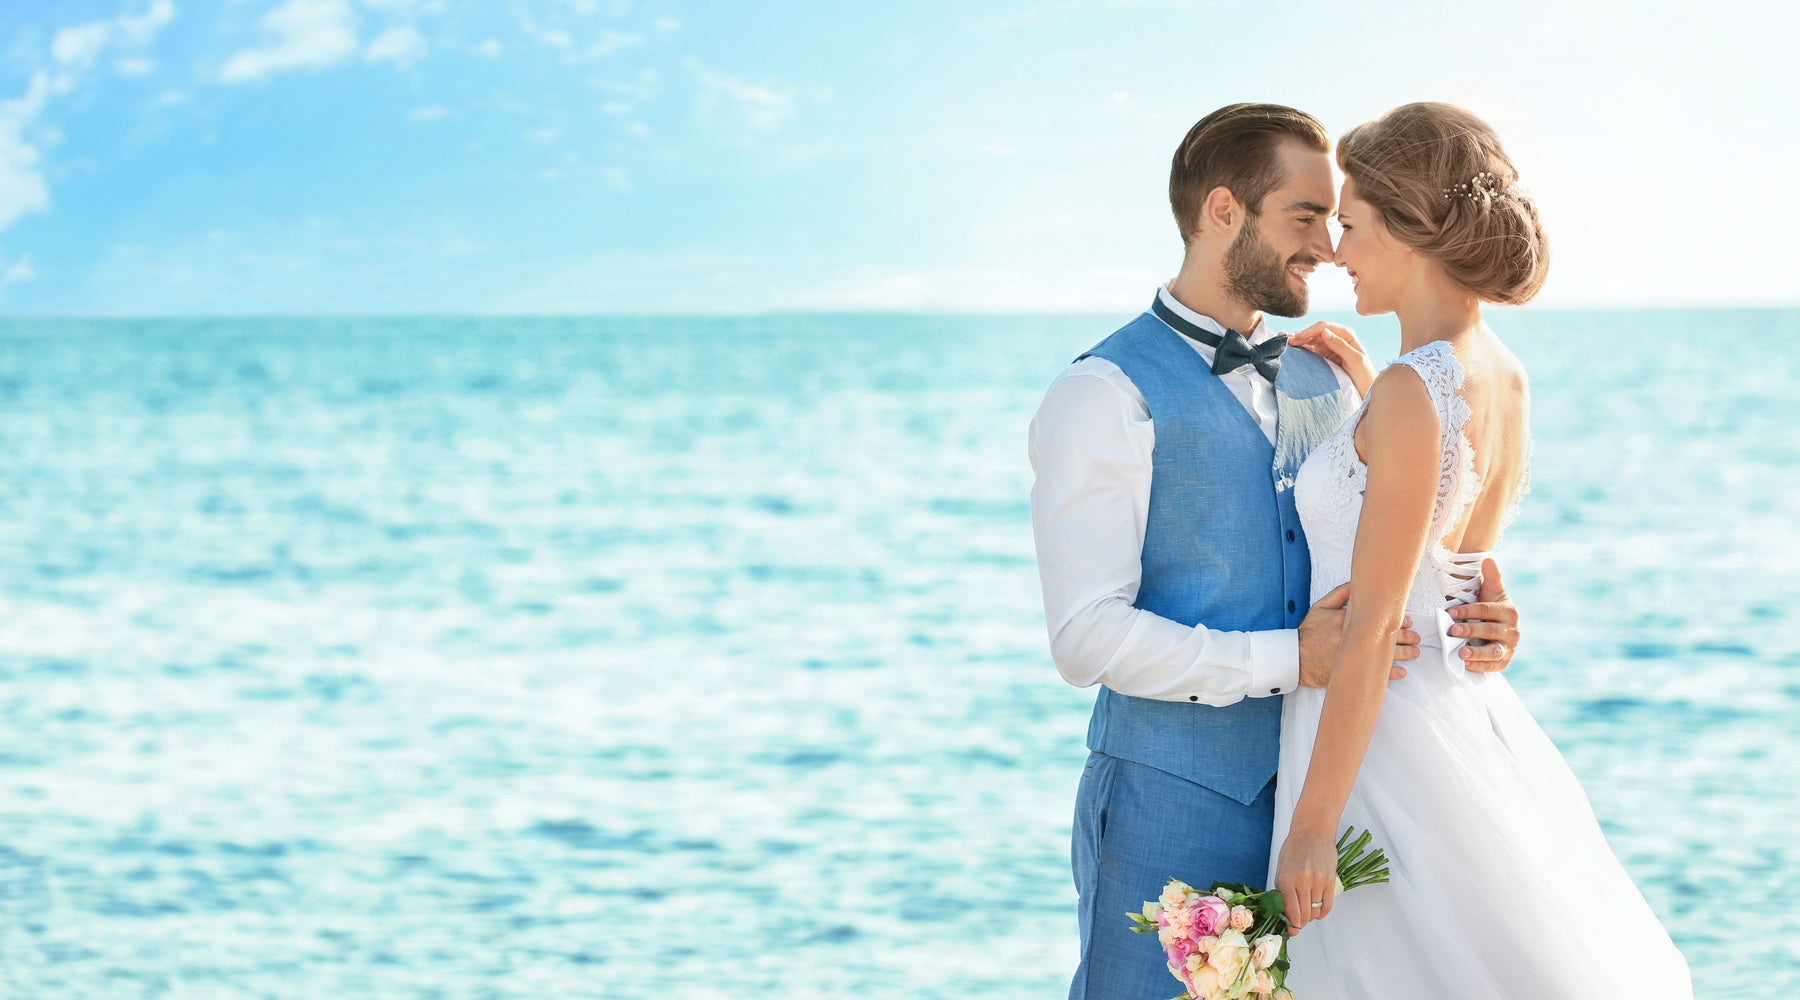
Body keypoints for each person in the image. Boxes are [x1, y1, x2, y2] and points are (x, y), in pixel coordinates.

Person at [1027, 103, 1524, 1000]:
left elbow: (1391, 538)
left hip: (1342, 810)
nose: (1330, 248)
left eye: (1338, 221)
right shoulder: (1101, 394)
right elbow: (1085, 638)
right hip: (1171, 807)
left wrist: (1469, 614)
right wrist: (1289, 659)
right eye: (1305, 217)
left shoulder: (1334, 376)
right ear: (1224, 212)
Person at [1269, 102, 1692, 997]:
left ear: (1408, 229)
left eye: (1350, 223)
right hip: (1461, 715)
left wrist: (1312, 827)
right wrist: (1363, 393)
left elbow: (1379, 622)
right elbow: (1452, 561)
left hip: (1379, 741)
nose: (1338, 248)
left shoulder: (1413, 393)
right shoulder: (1497, 372)